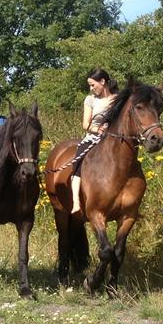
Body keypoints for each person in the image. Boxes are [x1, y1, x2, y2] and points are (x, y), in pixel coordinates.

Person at [70, 69, 118, 215]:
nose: (91, 89)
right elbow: (86, 124)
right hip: (93, 138)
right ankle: (76, 201)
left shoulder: (117, 99)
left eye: (92, 85)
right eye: (89, 86)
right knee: (77, 163)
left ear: (102, 82)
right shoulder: (90, 100)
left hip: (113, 138)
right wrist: (98, 130)